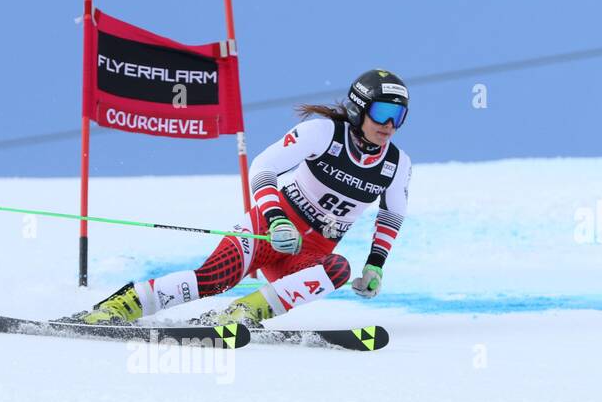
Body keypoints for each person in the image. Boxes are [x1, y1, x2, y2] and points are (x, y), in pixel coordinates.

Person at [68, 68, 413, 327]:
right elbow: (263, 167)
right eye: (382, 112)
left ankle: (241, 314)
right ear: (358, 109)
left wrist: (375, 266)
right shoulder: (322, 133)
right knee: (214, 279)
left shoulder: (397, 165)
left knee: (337, 269)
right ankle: (118, 307)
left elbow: (391, 217)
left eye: (398, 115)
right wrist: (276, 218)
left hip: (307, 254)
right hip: (267, 230)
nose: (389, 124)